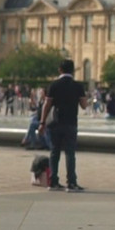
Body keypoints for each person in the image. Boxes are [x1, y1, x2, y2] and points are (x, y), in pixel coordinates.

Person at [38, 59, 87, 192]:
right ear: (72, 71)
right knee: (70, 153)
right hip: (71, 123)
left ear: (60, 70)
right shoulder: (78, 86)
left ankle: (53, 182)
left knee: (54, 152)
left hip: (55, 123)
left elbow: (46, 105)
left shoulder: (54, 85)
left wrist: (42, 123)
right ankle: (71, 183)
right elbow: (84, 105)